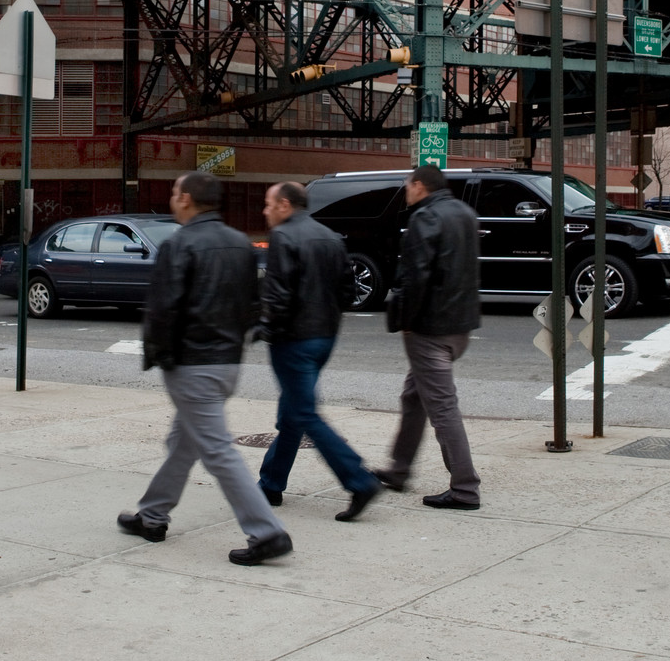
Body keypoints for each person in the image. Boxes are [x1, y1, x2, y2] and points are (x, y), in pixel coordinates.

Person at [117, 171, 293, 565]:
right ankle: (152, 515)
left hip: (191, 365)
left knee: (216, 450)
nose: (171, 199)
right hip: (227, 361)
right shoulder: (240, 244)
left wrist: (157, 356)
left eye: (174, 192)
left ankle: (267, 533)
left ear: (187, 200)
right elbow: (252, 304)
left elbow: (162, 310)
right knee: (184, 442)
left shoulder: (178, 245)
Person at [254, 181, 382, 522]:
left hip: (293, 339)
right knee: (293, 412)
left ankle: (359, 480)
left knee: (304, 414)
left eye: (268, 204)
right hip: (324, 336)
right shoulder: (330, 236)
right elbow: (348, 289)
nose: (265, 211)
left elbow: (278, 293)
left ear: (284, 204)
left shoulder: (284, 236)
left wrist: (265, 328)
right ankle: (270, 483)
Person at [376, 164, 482, 510]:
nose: (406, 191)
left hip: (430, 329)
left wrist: (407, 320)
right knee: (414, 396)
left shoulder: (426, 218)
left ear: (420, 186)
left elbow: (416, 276)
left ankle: (465, 488)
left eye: (408, 185)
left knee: (442, 407)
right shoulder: (465, 213)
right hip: (460, 325)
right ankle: (399, 469)